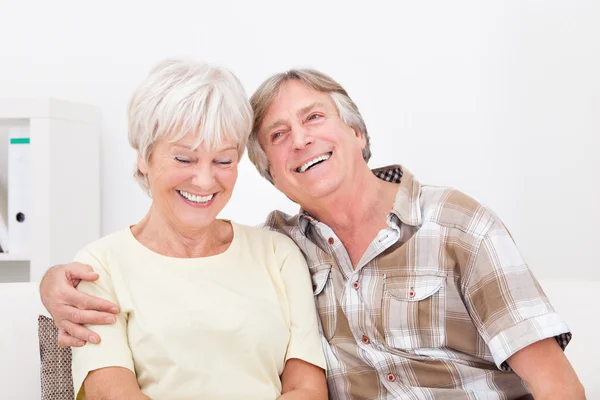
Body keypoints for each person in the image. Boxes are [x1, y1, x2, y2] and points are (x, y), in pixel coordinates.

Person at [41, 68, 585, 399]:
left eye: (315, 119)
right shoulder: (287, 246)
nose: (300, 140)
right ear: (270, 173)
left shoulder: (457, 225)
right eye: (278, 135)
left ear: (356, 131)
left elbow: (559, 387)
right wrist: (52, 283)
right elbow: (187, 266)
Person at [50, 59, 327, 400]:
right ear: (144, 157)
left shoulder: (277, 254)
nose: (205, 180)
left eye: (223, 161)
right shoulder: (100, 265)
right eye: (184, 159)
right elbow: (111, 394)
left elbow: (307, 390)